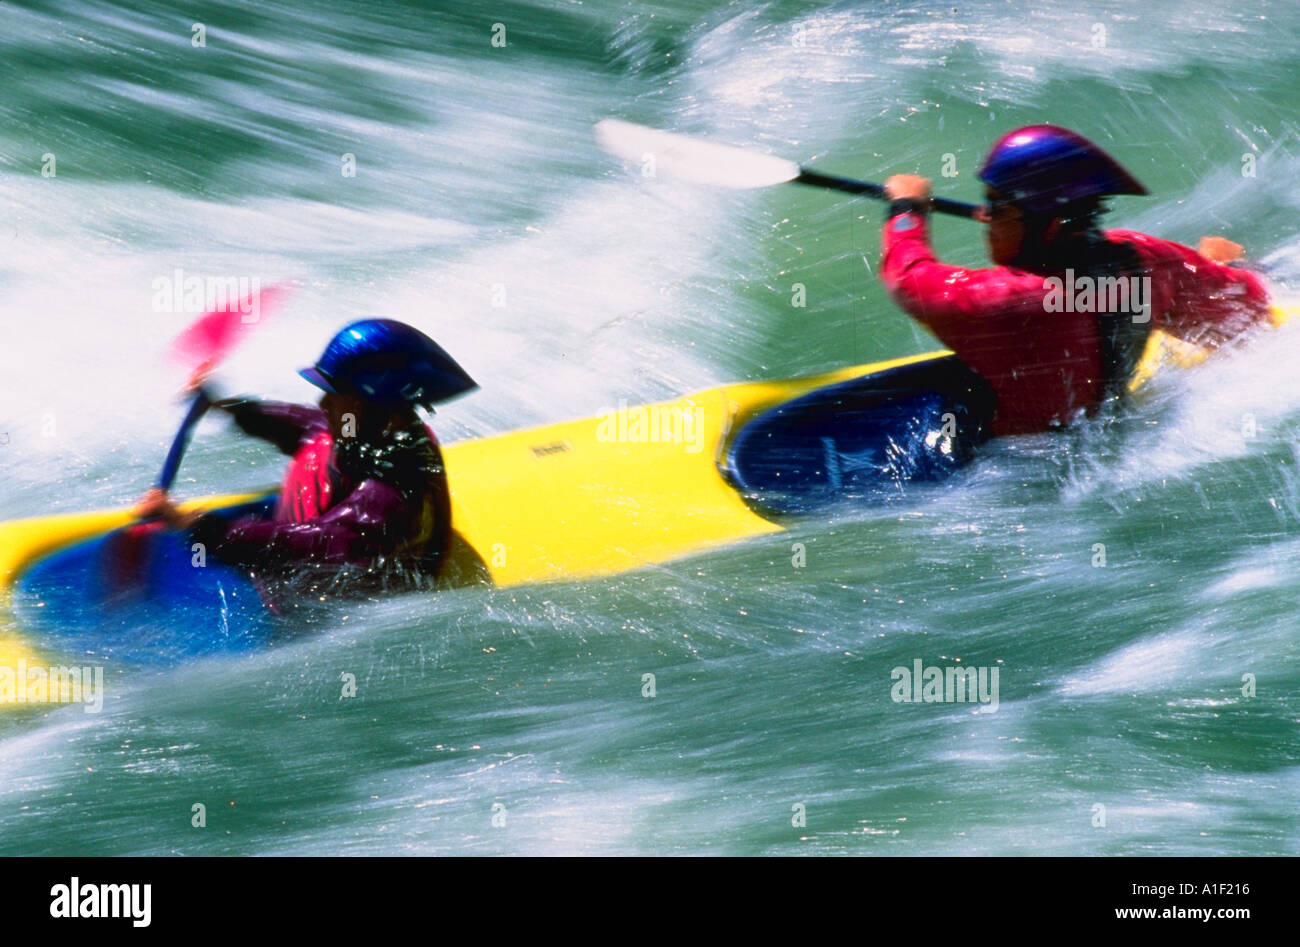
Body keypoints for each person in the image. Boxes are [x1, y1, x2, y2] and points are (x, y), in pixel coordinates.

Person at [879, 124, 1274, 435]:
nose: (984, 216)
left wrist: (906, 209)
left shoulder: (1004, 299)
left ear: (1049, 227)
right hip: (1100, 443)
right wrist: (1228, 273)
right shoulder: (1141, 262)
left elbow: (908, 277)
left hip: (1005, 471)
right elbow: (1247, 314)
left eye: (998, 207)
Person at [137, 318, 476, 593]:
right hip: (295, 574)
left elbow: (325, 546)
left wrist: (200, 526)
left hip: (344, 620)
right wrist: (229, 406)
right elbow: (305, 426)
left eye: (335, 395)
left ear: (372, 405)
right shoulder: (367, 429)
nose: (322, 404)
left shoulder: (395, 490)